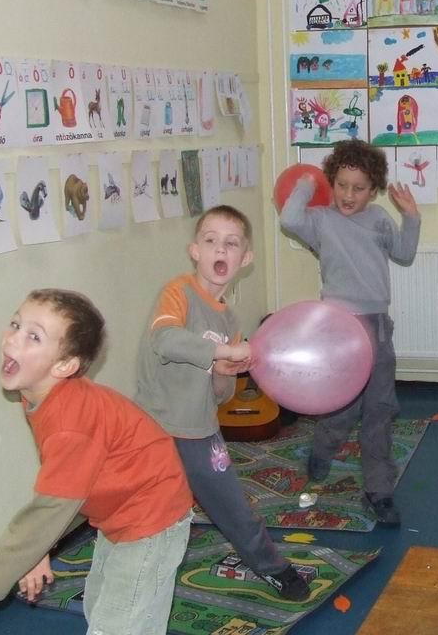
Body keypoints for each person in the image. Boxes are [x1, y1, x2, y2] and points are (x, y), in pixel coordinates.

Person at [0, 289, 194, 633]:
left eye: (34, 336)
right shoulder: (40, 397)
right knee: (101, 604)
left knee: (122, 622)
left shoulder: (69, 421)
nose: (13, 338)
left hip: (151, 514)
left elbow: (51, 506)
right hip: (119, 506)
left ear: (64, 366)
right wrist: (37, 550)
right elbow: (67, 485)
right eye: (16, 324)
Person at [134, 205, 310, 601]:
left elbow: (221, 396)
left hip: (199, 429)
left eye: (231, 244)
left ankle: (271, 567)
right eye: (211, 240)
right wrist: (223, 353)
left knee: (232, 505)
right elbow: (164, 340)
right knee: (145, 511)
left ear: (245, 259)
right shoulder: (178, 292)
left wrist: (224, 371)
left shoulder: (229, 321)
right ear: (195, 251)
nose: (220, 249)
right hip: (153, 425)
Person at [279, 140, 421, 526]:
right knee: (342, 408)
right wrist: (308, 183)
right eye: (341, 185)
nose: (348, 195)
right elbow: (289, 219)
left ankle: (379, 490)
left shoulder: (378, 219)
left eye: (358, 188)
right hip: (338, 329)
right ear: (332, 182)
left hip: (376, 327)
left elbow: (405, 253)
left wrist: (411, 217)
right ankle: (322, 450)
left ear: (373, 190)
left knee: (380, 408)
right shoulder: (320, 220)